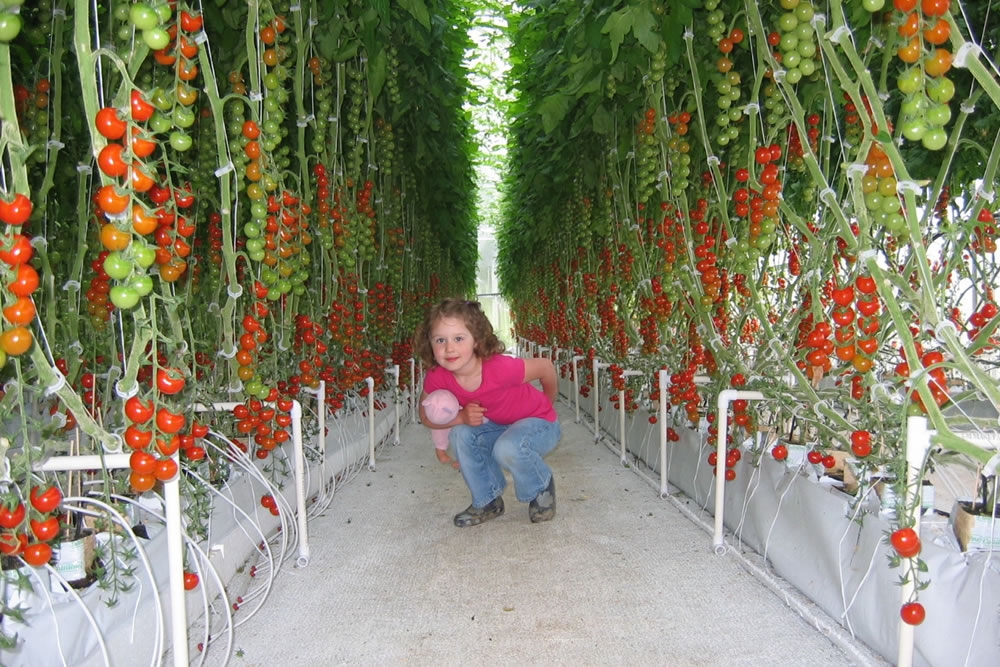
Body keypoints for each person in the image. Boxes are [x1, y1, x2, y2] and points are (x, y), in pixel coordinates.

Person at [414, 298, 561, 527]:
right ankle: (488, 500)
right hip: (501, 425)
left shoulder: (499, 368)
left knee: (509, 447)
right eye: (440, 340)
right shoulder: (437, 377)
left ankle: (541, 486)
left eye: (459, 339)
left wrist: (548, 403)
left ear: (476, 340)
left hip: (539, 423)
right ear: (429, 343)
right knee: (462, 433)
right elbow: (424, 416)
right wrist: (460, 418)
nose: (449, 348)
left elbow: (546, 367)